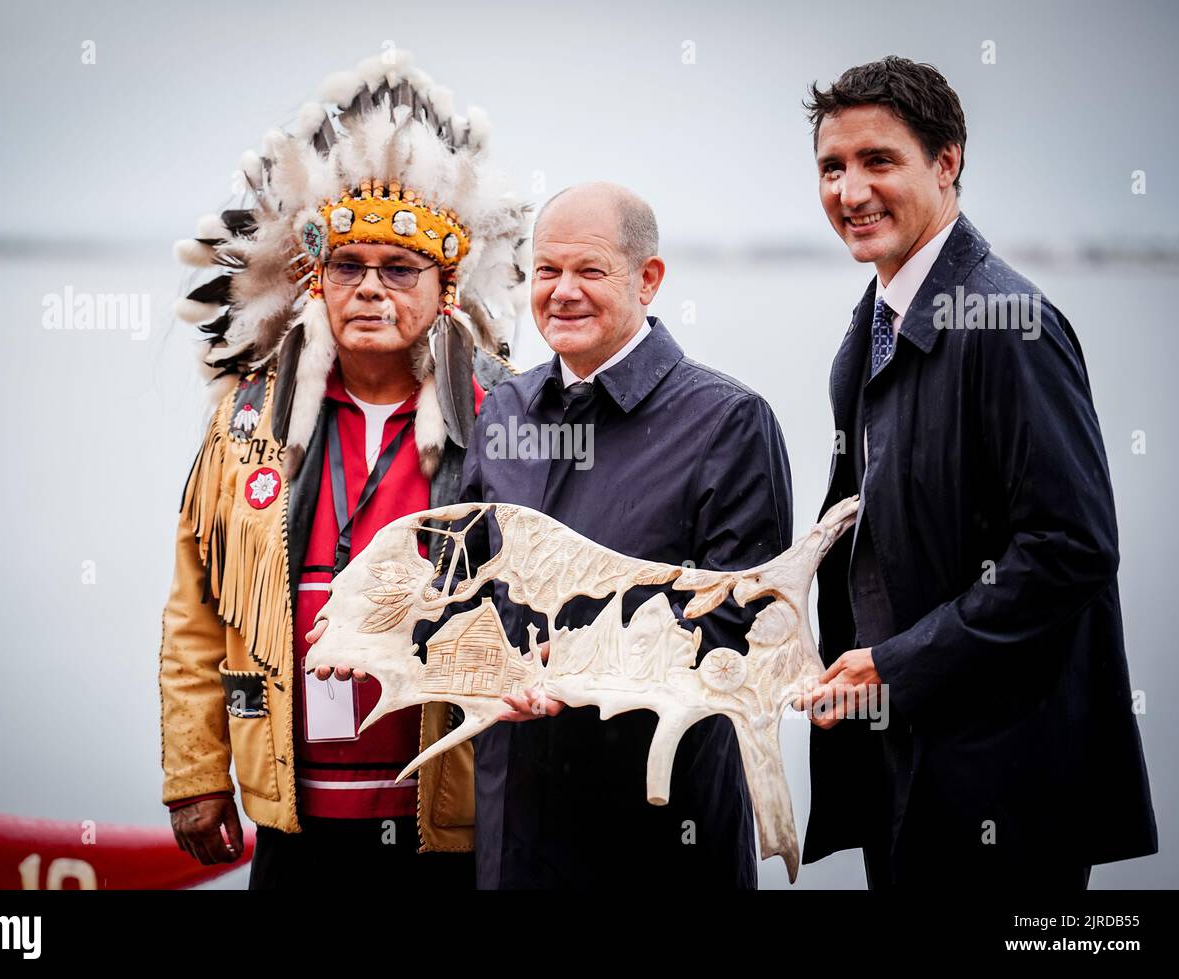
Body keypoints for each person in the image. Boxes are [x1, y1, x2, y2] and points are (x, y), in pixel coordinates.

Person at [158, 50, 529, 888]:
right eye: (347, 268)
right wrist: (196, 775)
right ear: (313, 284)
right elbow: (196, 615)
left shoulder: (504, 420)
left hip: (454, 814)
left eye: (399, 270)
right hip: (296, 817)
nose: (370, 289)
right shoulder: (249, 425)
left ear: (446, 292)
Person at [797, 56, 1157, 889]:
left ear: (947, 161)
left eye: (879, 160)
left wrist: (898, 663)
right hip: (901, 762)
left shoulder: (1010, 323)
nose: (851, 192)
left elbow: (1071, 548)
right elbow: (860, 524)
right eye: (831, 167)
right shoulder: (875, 327)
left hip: (1007, 783)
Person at [456, 181, 793, 888]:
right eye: (547, 271)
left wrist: (580, 662)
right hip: (513, 820)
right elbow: (461, 580)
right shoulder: (506, 410)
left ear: (648, 279)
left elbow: (743, 622)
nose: (563, 291)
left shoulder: (727, 422)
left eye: (590, 271)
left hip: (659, 828)